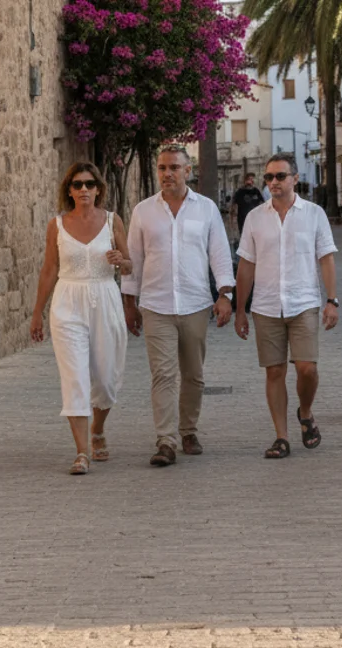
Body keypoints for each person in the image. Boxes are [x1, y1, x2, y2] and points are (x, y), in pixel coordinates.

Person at [123, 146, 236, 468]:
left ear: (188, 171)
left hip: (195, 303)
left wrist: (225, 294)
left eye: (173, 167)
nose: (167, 173)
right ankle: (166, 440)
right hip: (156, 305)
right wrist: (130, 303)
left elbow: (219, 253)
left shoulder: (206, 209)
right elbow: (135, 260)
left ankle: (188, 430)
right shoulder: (144, 211)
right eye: (161, 168)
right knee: (162, 374)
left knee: (194, 375)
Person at [234, 153, 339, 460]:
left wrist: (332, 300)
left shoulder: (314, 214)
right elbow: (246, 266)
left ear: (295, 179)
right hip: (266, 305)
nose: (273, 183)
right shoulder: (255, 217)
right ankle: (281, 437)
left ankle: (305, 411)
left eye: (280, 176)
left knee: (307, 369)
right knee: (275, 371)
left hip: (303, 301)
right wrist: (241, 310)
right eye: (269, 177)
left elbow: (327, 258)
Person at [30, 162, 130, 475]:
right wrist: (37, 313)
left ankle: (97, 429)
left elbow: (129, 266)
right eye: (77, 185)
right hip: (67, 302)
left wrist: (120, 261)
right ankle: (81, 451)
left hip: (105, 300)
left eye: (89, 184)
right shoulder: (56, 225)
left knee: (105, 378)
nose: (83, 189)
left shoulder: (113, 221)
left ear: (98, 188)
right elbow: (49, 270)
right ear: (69, 191)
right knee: (74, 375)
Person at [233, 172, 265, 241]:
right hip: (243, 221)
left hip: (256, 221)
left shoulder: (256, 191)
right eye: (249, 179)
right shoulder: (240, 192)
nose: (251, 181)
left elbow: (262, 203)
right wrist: (234, 222)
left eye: (252, 179)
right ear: (245, 181)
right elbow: (234, 207)